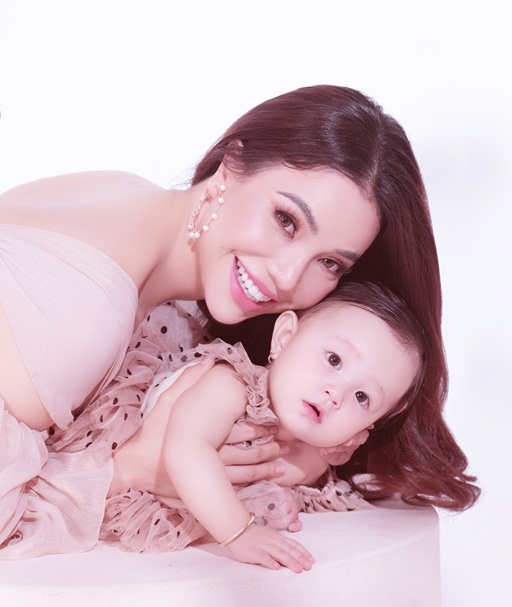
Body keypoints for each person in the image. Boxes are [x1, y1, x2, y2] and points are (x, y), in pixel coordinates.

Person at [0, 84, 478, 540]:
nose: (288, 277)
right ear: (230, 166)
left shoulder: (126, 197)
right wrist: (134, 467)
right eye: (286, 220)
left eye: (330, 263)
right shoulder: (84, 317)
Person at [0, 282, 427, 566]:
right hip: (96, 441)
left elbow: (275, 470)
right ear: (284, 338)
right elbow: (186, 448)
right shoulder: (231, 382)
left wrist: (326, 454)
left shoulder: (307, 445)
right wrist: (239, 534)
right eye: (333, 360)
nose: (337, 393)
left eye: (362, 398)